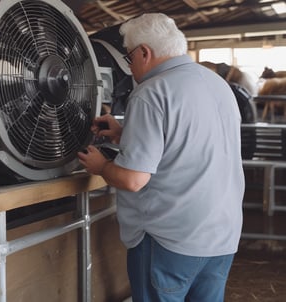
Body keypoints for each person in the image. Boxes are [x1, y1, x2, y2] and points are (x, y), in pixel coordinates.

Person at [78, 13, 244, 302]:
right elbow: (189, 142)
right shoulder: (217, 84)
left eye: (129, 58)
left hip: (170, 239)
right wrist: (124, 132)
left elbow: (132, 179)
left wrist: (101, 166)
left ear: (144, 52)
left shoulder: (151, 92)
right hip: (221, 237)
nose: (129, 68)